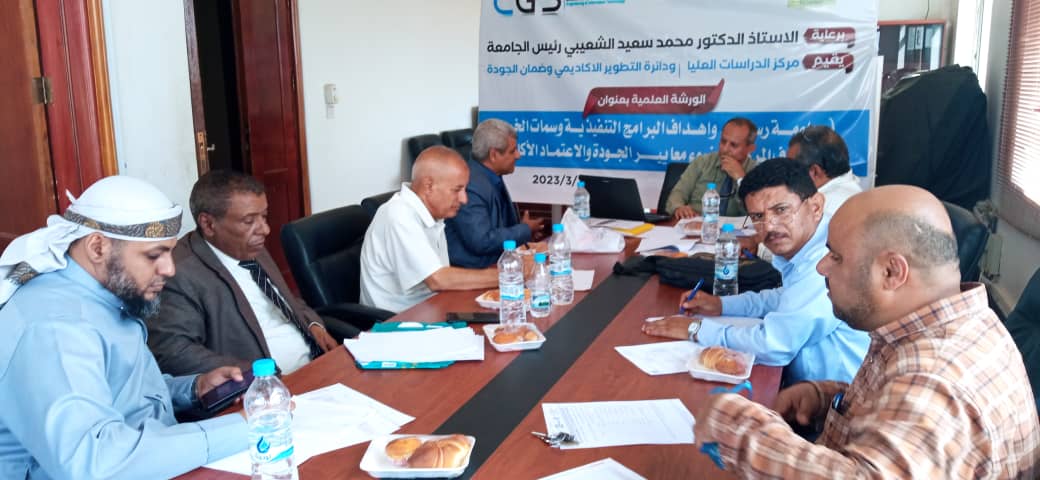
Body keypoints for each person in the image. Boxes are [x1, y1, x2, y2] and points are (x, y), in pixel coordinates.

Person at [693, 185, 1040, 478]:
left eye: (836, 257)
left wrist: (740, 430)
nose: (821, 267)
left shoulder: (933, 377)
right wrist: (829, 399)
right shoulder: (950, 326)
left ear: (891, 272)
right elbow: (906, 419)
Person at [0, 176, 247, 479]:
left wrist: (193, 389)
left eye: (170, 252)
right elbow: (96, 463)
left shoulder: (103, 294)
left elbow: (116, 393)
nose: (169, 269)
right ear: (98, 247)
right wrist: (244, 428)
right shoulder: (55, 328)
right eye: (154, 255)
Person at [643, 159, 869, 385]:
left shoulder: (827, 257)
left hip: (833, 397)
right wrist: (721, 305)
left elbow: (774, 345)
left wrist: (696, 329)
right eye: (758, 217)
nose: (769, 226)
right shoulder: (810, 243)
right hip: (807, 385)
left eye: (781, 210)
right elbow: (785, 297)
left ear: (816, 206)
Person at [147, 170, 341, 377]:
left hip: (316, 365)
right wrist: (258, 375)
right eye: (249, 221)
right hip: (270, 384)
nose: (265, 229)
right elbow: (174, 353)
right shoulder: (177, 272)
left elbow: (286, 298)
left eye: (264, 216)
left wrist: (313, 323)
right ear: (208, 224)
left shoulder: (250, 246)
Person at [361, 146, 500, 312]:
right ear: (428, 186)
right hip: (398, 319)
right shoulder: (398, 214)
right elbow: (437, 279)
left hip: (432, 306)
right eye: (457, 190)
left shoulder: (433, 212)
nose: (464, 199)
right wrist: (508, 276)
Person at [445, 118, 545, 268]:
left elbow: (498, 227)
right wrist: (524, 230)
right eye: (512, 151)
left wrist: (522, 233)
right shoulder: (470, 185)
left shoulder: (490, 175)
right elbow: (481, 241)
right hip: (476, 271)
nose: (518, 155)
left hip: (500, 264)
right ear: (493, 155)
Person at [665, 117, 758, 219]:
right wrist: (679, 207)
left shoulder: (757, 171)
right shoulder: (702, 162)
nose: (725, 149)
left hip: (734, 228)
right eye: (723, 141)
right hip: (696, 223)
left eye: (733, 145)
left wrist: (741, 179)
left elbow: (757, 211)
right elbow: (678, 193)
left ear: (750, 149)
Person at [787, 125, 863, 217]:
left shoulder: (821, 211)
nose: (788, 176)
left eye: (792, 170)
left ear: (814, 172)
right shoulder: (855, 192)